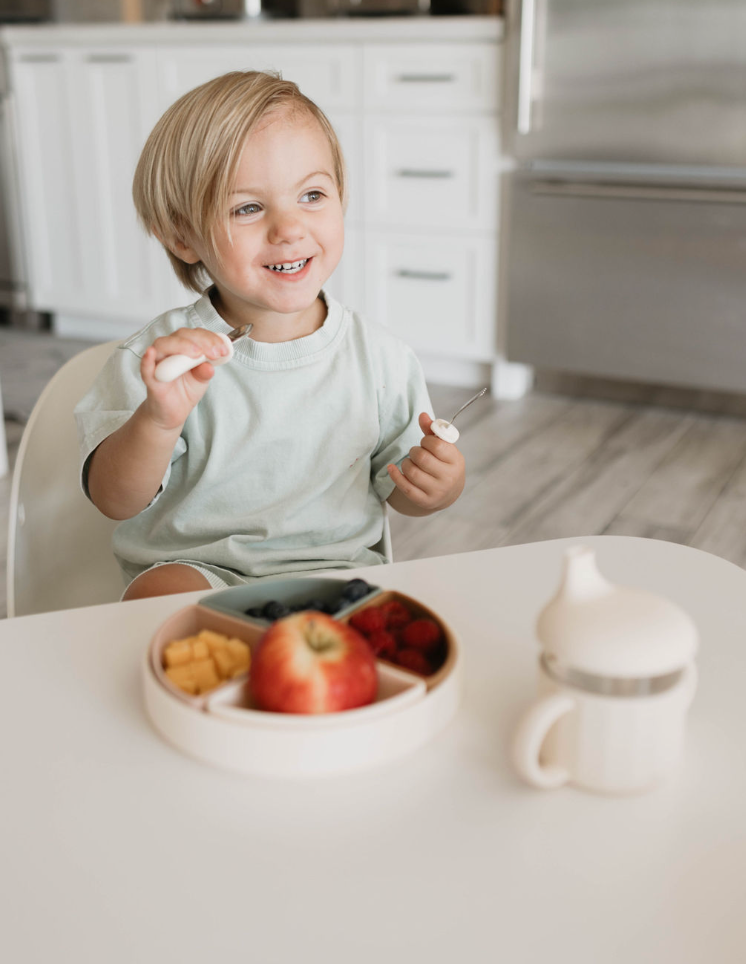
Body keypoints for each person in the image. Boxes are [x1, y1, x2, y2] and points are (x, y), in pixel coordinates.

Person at [75, 70, 465, 601]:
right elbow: (113, 499)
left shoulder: (382, 359)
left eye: (311, 194)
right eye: (248, 208)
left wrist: (437, 485)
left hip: (335, 571)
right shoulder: (158, 361)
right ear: (183, 236)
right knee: (158, 593)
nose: (289, 228)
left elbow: (402, 493)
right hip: (197, 570)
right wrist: (159, 418)